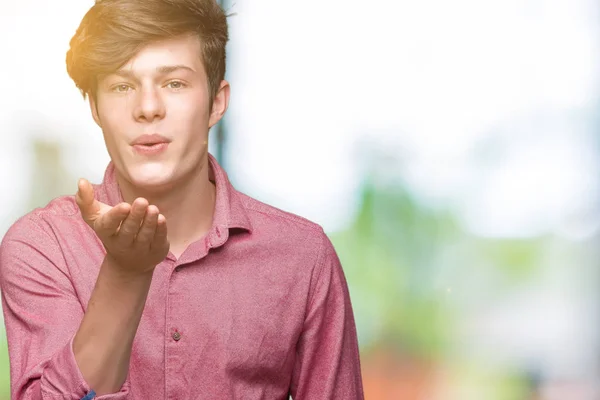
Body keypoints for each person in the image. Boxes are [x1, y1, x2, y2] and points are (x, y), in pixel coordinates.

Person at [0, 0, 364, 399]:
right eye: (122, 86)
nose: (148, 108)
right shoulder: (43, 247)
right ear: (95, 108)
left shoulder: (303, 257)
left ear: (216, 102)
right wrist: (125, 274)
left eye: (174, 83)